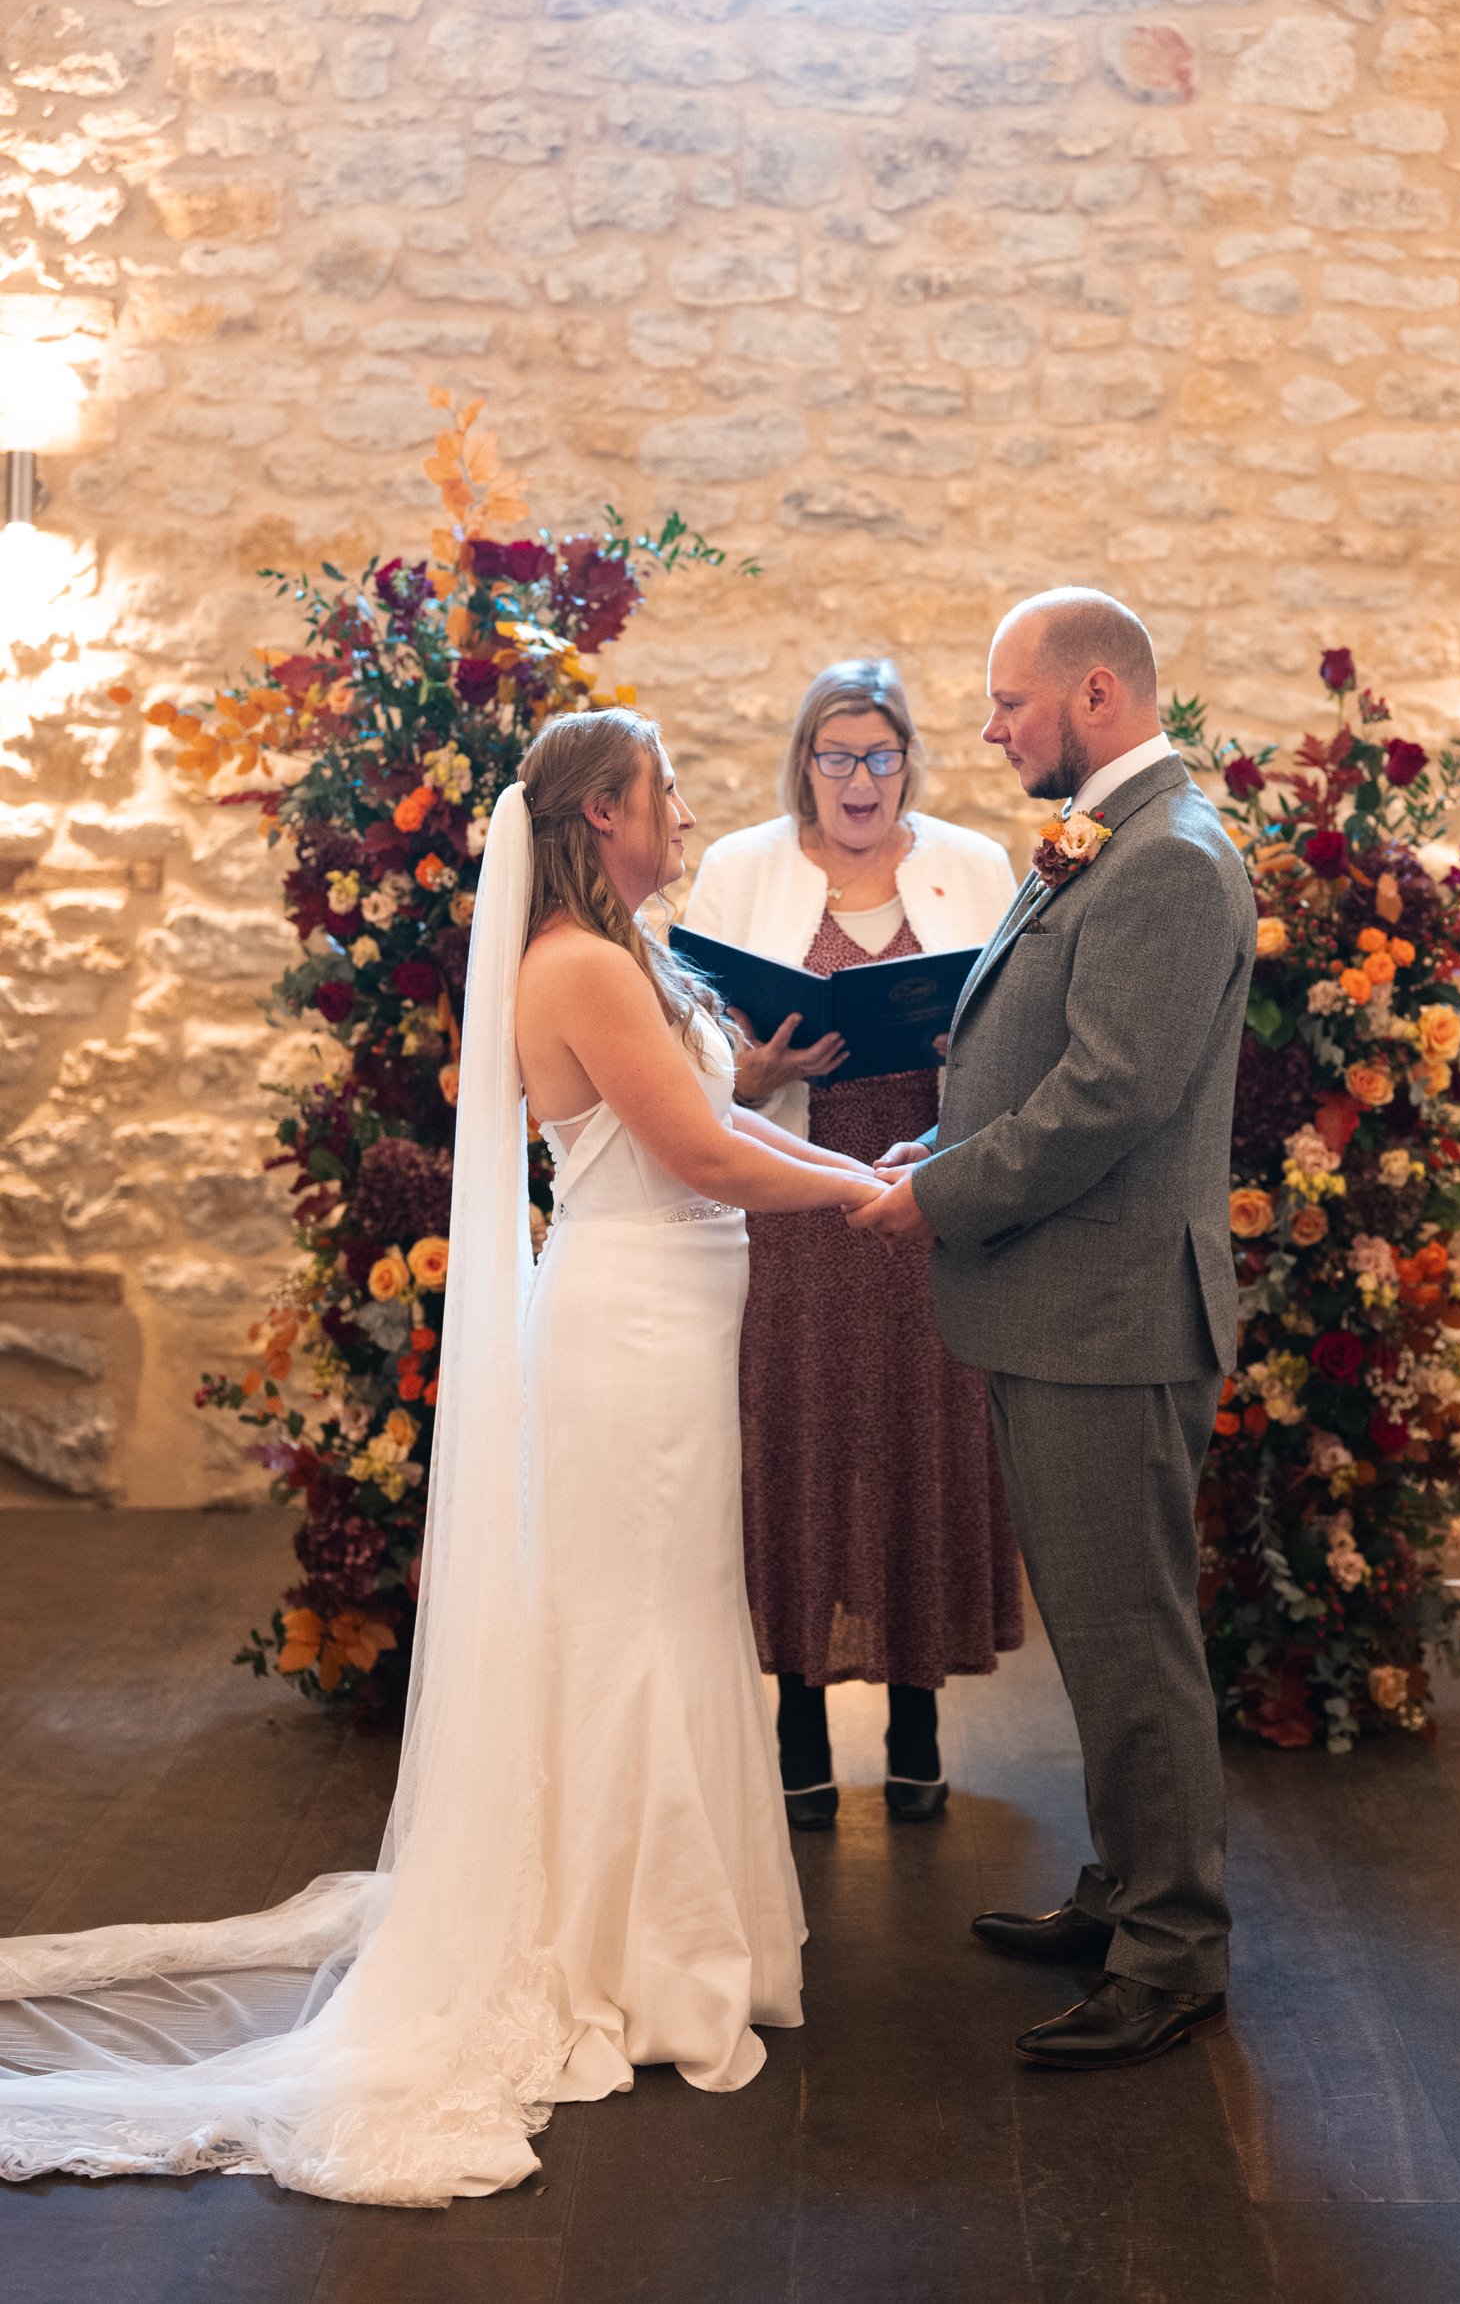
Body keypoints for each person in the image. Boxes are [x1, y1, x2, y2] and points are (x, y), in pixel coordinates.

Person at [0, 709, 882, 2205]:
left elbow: (720, 1116)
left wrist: (849, 1162)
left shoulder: (628, 953)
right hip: (627, 1338)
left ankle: (658, 1931)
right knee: (635, 1627)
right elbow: (695, 1153)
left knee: (664, 1615)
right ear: (602, 816)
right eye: (662, 793)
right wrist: (866, 1197)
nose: (681, 810)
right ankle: (633, 1960)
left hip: (667, 1324)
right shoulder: (582, 966)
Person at [856, 589, 1256, 2072]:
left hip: (1106, 1314)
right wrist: (935, 1149)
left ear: (1095, 696)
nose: (985, 728)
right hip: (1061, 1307)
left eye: (1005, 702)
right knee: (1098, 1636)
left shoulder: (1164, 859)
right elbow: (1043, 1054)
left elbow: (1107, 1099)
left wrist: (942, 1195)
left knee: (1128, 1638)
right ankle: (1124, 1885)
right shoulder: (1117, 835)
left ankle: (1172, 1947)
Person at [684, 660, 1021, 1828]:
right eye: (836, 756)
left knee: (921, 1443)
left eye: (880, 755)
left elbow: (1019, 1037)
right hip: (794, 1210)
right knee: (800, 1449)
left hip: (929, 1202)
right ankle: (797, 1732)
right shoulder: (739, 869)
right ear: (804, 766)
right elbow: (686, 1059)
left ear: (908, 762)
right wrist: (759, 1068)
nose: (859, 778)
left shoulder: (974, 868)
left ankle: (921, 1726)